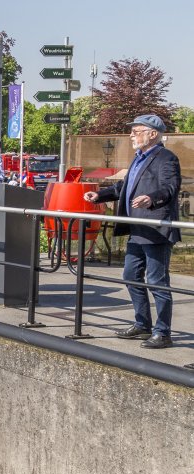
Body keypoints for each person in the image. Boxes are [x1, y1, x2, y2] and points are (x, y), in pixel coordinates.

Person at [84, 114, 181, 349]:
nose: (131, 136)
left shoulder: (166, 158)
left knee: (157, 281)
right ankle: (142, 324)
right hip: (137, 230)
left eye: (136, 131)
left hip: (156, 230)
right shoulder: (138, 158)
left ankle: (163, 332)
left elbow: (170, 187)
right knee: (130, 276)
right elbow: (123, 187)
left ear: (152, 134)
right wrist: (100, 195)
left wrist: (151, 199)